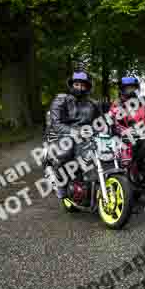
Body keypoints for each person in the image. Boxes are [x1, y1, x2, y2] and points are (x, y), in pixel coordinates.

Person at [43, 70, 103, 198]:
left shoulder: (93, 103)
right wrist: (74, 132)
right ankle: (60, 182)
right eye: (77, 84)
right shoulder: (61, 100)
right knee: (66, 151)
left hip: (87, 136)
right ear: (71, 85)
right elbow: (56, 124)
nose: (80, 88)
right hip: (64, 135)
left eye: (83, 85)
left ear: (87, 86)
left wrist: (109, 130)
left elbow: (102, 122)